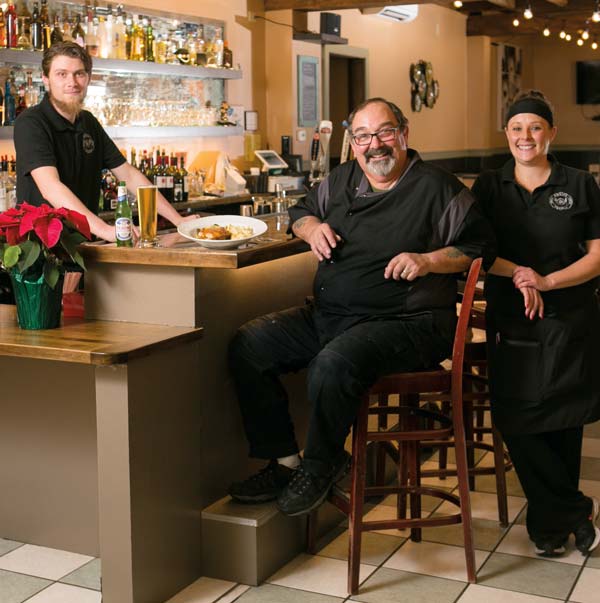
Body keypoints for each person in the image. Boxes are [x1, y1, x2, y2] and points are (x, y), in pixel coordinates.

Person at [228, 97, 496, 516]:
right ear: (353, 143)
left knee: (332, 364)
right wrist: (311, 228)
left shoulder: (438, 188)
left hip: (410, 323)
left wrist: (429, 261)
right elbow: (301, 212)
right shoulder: (341, 179)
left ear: (403, 133)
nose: (375, 144)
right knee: (250, 345)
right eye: (363, 136)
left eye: (385, 132)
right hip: (333, 316)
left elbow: (481, 247)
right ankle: (285, 462)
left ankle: (322, 464)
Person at [472, 90, 600, 557]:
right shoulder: (489, 187)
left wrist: (546, 281)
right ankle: (575, 510)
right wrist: (520, 275)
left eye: (535, 127)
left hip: (571, 320)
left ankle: (548, 528)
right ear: (506, 134)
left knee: (564, 422)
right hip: (512, 321)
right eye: (516, 128)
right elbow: (477, 250)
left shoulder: (580, 184)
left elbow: (598, 255)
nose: (525, 136)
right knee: (515, 418)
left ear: (551, 133)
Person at [14, 41, 185, 242]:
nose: (72, 82)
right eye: (62, 74)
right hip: (40, 248)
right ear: (46, 79)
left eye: (79, 74)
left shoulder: (88, 122)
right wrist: (105, 230)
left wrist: (179, 221)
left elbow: (129, 175)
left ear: (88, 78)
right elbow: (51, 187)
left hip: (83, 243)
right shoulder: (31, 122)